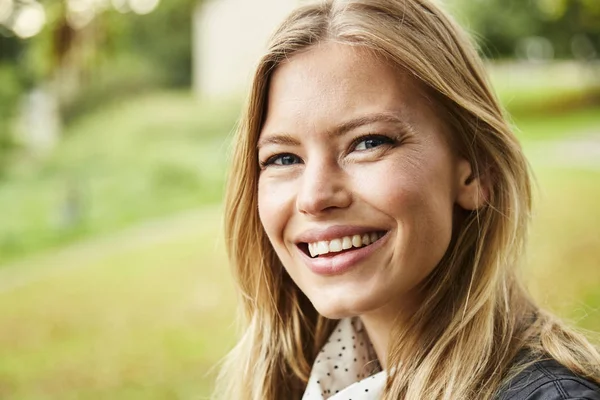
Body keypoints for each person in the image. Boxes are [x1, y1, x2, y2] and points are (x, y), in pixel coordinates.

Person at [214, 0, 600, 399]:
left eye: (368, 142)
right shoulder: (316, 382)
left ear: (475, 173)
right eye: (283, 158)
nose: (314, 197)